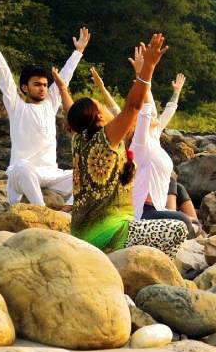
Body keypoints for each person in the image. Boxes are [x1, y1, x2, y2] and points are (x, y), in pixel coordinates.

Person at [66, 34, 187, 256]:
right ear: (98, 118)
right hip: (112, 233)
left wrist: (64, 90)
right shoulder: (106, 139)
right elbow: (132, 107)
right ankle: (157, 268)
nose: (105, 107)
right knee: (178, 229)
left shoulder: (78, 140)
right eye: (101, 106)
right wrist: (147, 68)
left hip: (80, 232)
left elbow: (70, 112)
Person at [0, 15, 88, 208]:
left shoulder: (50, 103)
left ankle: (66, 212)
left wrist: (78, 51)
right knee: (22, 167)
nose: (43, 88)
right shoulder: (16, 106)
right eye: (37, 84)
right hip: (22, 174)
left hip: (51, 174)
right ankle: (40, 211)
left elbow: (65, 76)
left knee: (87, 173)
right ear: (24, 88)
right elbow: (4, 76)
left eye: (45, 85)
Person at [130, 73, 202, 236]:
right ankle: (189, 224)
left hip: (157, 205)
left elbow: (165, 111)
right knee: (184, 221)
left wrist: (176, 92)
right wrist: (143, 76)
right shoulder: (139, 142)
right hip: (145, 212)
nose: (155, 115)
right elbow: (145, 111)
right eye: (150, 115)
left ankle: (192, 225)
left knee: (178, 187)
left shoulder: (154, 135)